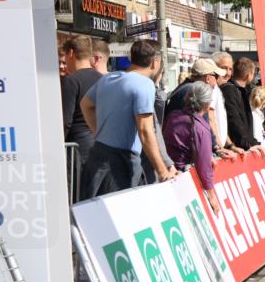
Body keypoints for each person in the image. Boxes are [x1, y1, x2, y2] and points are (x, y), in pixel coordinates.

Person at [79, 39, 176, 198]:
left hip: (98, 157)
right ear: (155, 62)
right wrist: (162, 171)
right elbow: (145, 131)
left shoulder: (108, 78)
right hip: (120, 166)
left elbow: (85, 105)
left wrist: (98, 133)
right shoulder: (145, 84)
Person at [162, 81, 220, 215]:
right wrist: (211, 195)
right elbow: (204, 166)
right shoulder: (201, 128)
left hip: (165, 173)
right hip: (182, 180)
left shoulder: (173, 116)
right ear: (207, 103)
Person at [60, 35, 101, 169]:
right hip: (100, 145)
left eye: (65, 57)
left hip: (77, 149)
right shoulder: (103, 79)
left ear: (71, 53)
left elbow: (65, 120)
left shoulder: (71, 81)